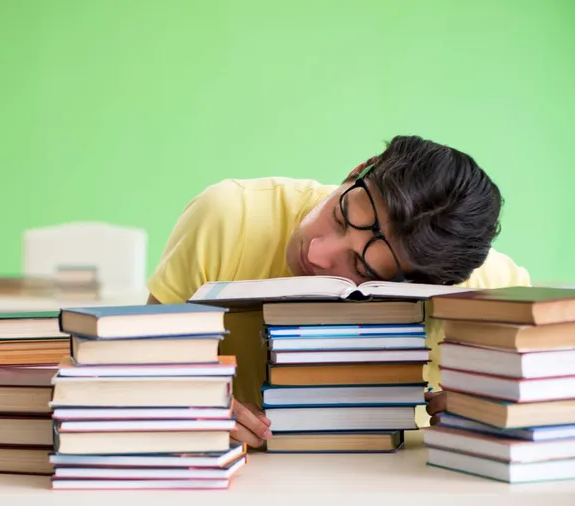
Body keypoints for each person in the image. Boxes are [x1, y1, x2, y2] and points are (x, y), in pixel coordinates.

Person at [147, 135, 530, 448]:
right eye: (342, 214)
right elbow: (136, 372)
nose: (315, 252)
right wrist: (185, 406)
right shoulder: (229, 216)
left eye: (362, 268)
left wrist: (508, 406)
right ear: (357, 171)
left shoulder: (483, 291)